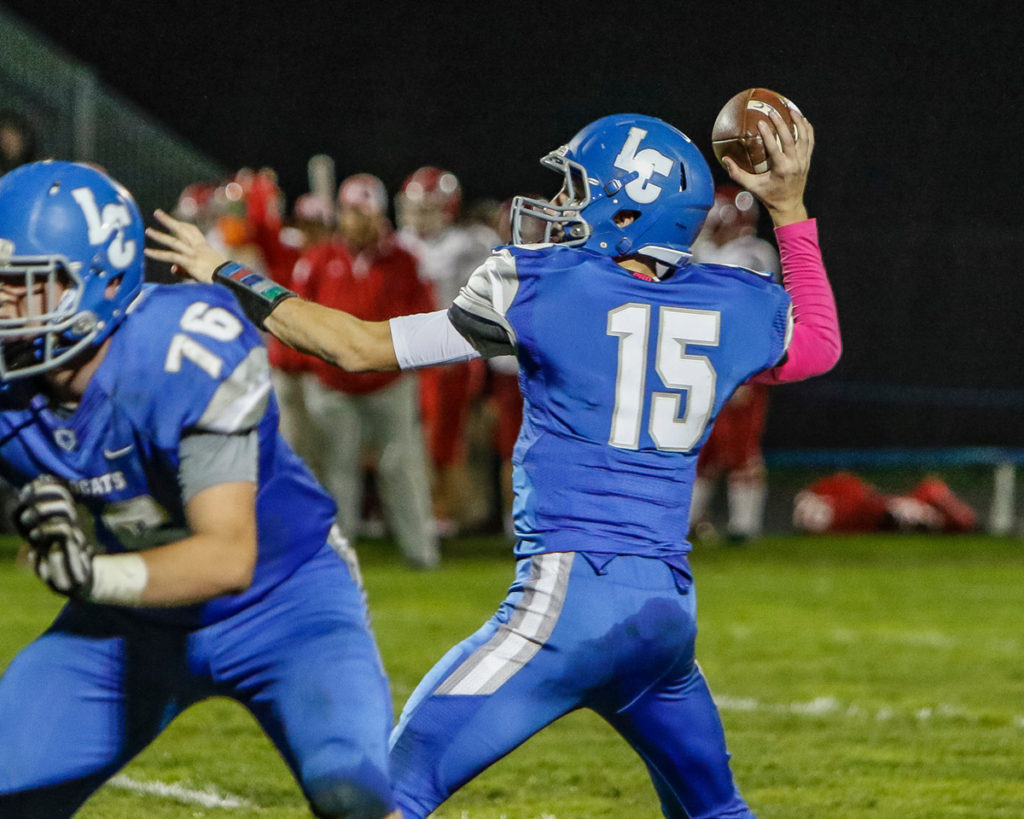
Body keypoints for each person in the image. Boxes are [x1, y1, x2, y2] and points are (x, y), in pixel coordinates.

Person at [148, 107, 839, 819]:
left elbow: (353, 346)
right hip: (665, 613)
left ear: (630, 211)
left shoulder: (541, 285)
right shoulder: (736, 301)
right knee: (716, 811)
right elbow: (819, 342)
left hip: (570, 601)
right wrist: (790, 208)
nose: (562, 206)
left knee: (382, 796)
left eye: (580, 190)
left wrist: (224, 270)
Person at [0, 161, 398, 819]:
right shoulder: (15, 382)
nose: (5, 305)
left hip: (284, 599)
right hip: (131, 618)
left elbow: (226, 556)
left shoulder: (178, 347)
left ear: (97, 283)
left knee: (351, 793)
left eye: (24, 284)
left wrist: (89, 571)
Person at [301, 173, 440, 568]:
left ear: (379, 214)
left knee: (402, 467)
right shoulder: (320, 259)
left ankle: (421, 553)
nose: (357, 220)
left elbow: (426, 315)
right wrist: (316, 361)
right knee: (337, 474)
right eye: (351, 212)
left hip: (388, 379)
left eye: (364, 212)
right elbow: (298, 315)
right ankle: (335, 559)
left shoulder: (405, 261)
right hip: (333, 382)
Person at [395, 166, 497, 534]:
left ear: (448, 209)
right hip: (405, 348)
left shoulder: (467, 245)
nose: (417, 216)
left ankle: (450, 510)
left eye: (426, 209)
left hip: (450, 352)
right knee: (411, 436)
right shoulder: (400, 243)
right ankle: (425, 507)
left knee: (446, 436)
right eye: (414, 208)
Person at [688, 186, 782, 542]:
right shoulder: (713, 251)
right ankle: (688, 523)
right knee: (701, 449)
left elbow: (740, 312)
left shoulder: (752, 253)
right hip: (703, 364)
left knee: (740, 449)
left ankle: (744, 528)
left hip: (739, 363)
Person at [793, 472, 976, 534]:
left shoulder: (831, 491)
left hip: (883, 513)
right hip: (883, 515)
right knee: (931, 489)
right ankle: (965, 524)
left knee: (930, 491)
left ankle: (963, 524)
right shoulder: (845, 500)